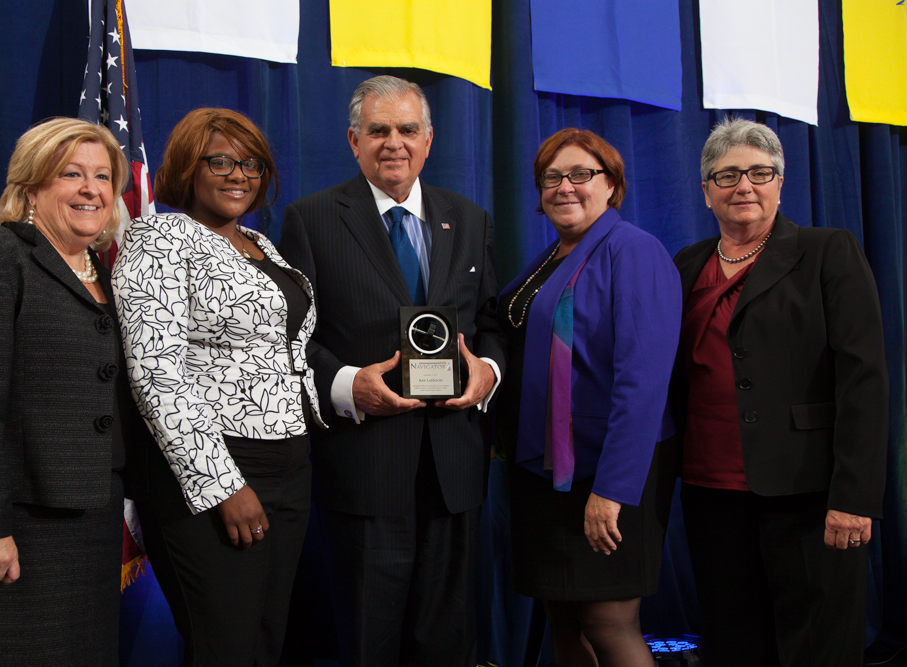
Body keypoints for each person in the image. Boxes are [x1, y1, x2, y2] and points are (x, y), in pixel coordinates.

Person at [277, 75, 507, 667]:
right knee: (367, 641)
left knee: (447, 643)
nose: (394, 143)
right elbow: (291, 337)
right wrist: (346, 384)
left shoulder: (470, 218)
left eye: (408, 130)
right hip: (365, 464)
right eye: (378, 130)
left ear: (429, 141)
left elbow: (490, 323)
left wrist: (489, 372)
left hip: (454, 466)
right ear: (354, 141)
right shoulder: (312, 219)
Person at [672, 118, 888, 666]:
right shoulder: (685, 265)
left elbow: (864, 379)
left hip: (810, 492)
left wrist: (854, 497)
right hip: (710, 490)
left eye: (759, 172)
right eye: (727, 176)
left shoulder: (826, 251)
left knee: (817, 645)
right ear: (705, 191)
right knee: (734, 640)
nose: (744, 185)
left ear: (780, 182)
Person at [112, 107, 324, 667]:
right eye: (221, 161)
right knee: (225, 647)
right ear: (188, 165)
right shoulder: (159, 236)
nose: (238, 175)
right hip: (213, 471)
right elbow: (156, 372)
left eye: (251, 164)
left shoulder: (260, 244)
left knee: (264, 642)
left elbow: (285, 354)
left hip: (290, 466)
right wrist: (223, 486)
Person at [0, 118, 134, 666]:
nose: (92, 189)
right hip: (14, 524)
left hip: (92, 522)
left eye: (104, 177)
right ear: (31, 184)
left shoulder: (108, 277)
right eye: (71, 174)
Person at [497, 128, 680, 667]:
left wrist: (612, 490)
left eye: (581, 174)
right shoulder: (554, 256)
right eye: (552, 177)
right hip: (546, 473)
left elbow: (642, 382)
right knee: (564, 615)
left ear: (611, 184)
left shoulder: (634, 251)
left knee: (607, 620)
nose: (565, 187)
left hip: (609, 469)